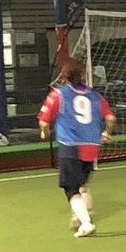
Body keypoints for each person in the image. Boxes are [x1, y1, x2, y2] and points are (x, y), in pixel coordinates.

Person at [38, 58, 116, 238]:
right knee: (80, 184)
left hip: (71, 145)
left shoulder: (58, 94)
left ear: (64, 75)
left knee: (70, 188)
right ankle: (82, 213)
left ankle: (85, 222)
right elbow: (111, 118)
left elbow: (44, 121)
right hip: (92, 146)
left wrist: (45, 132)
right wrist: (106, 132)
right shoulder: (95, 95)